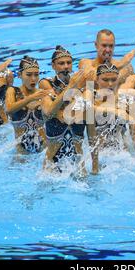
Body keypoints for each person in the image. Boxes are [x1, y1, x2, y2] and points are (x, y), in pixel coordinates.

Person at [40, 46, 98, 175]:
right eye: (61, 63)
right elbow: (50, 111)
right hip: (51, 168)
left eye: (69, 63)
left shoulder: (84, 90)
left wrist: (95, 167)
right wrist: (71, 86)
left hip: (78, 167)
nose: (66, 66)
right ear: (53, 66)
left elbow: (92, 135)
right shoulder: (46, 85)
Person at [5, 56, 48, 154]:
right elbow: (8, 109)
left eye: (36, 75)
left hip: (43, 149)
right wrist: (30, 98)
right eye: (29, 75)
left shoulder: (43, 94)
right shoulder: (12, 91)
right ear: (20, 75)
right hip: (21, 152)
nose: (33, 79)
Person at [93, 61, 135, 150]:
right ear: (97, 80)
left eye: (114, 80)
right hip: (97, 154)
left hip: (119, 153)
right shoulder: (90, 95)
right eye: (105, 80)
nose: (110, 84)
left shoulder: (122, 99)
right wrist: (113, 111)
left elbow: (131, 130)